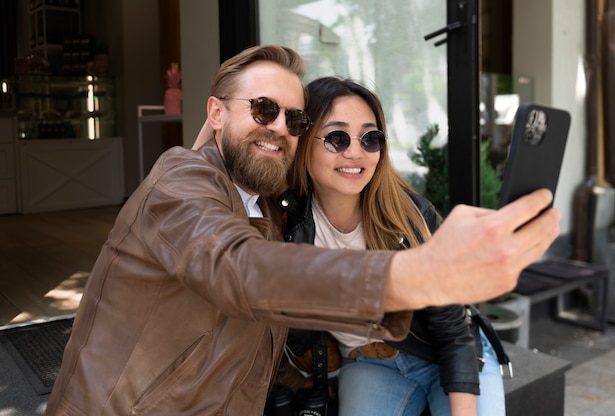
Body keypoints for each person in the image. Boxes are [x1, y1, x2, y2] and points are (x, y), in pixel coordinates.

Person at [44, 44, 560, 415]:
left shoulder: (275, 211)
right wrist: (419, 273)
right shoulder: (182, 181)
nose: (278, 128)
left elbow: (268, 324)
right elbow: (240, 270)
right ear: (216, 113)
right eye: (264, 109)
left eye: (292, 120)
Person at [277, 76, 506, 416]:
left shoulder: (408, 216)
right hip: (368, 364)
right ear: (305, 139)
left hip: (443, 352)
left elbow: (453, 329)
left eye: (370, 138)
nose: (355, 152)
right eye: (337, 138)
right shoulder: (285, 218)